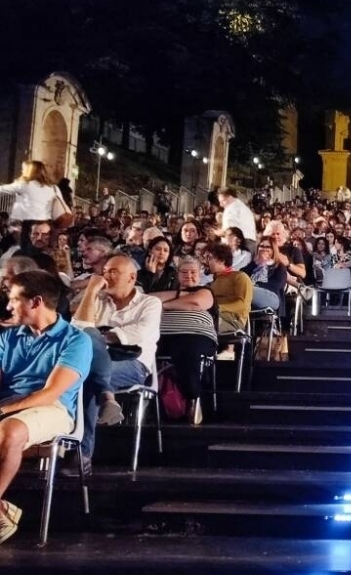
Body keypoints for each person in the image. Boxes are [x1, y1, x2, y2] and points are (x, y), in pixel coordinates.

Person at [0, 270, 93, 543]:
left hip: (54, 409)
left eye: (14, 299)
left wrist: (4, 410)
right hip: (9, 404)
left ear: (36, 302)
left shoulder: (76, 340)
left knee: (11, 430)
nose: (8, 306)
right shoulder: (9, 337)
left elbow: (50, 392)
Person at [71, 255, 162, 470]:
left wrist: (98, 336)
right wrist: (91, 292)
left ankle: (82, 455)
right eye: (104, 272)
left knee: (89, 370)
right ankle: (107, 397)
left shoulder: (150, 303)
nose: (106, 276)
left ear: (131, 277)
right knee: (89, 373)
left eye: (113, 272)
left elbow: (141, 333)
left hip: (133, 363)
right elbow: (76, 329)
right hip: (97, 362)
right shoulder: (98, 300)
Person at [150, 257, 218, 423]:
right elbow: (149, 299)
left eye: (193, 272)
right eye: (184, 272)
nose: (189, 276)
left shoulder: (206, 290)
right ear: (177, 274)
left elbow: (196, 302)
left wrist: (164, 304)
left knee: (187, 348)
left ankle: (193, 397)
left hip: (196, 334)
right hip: (163, 336)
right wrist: (180, 297)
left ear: (200, 274)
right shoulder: (166, 289)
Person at [0, 160, 62, 249]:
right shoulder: (54, 188)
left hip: (30, 226)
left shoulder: (24, 184)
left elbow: (2, 189)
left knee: (28, 252)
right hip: (48, 226)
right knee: (45, 253)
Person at [217, 188, 257, 255]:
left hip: (240, 243)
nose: (221, 205)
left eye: (222, 201)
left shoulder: (229, 209)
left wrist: (217, 232)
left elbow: (229, 230)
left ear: (229, 197)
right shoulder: (245, 208)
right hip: (252, 243)